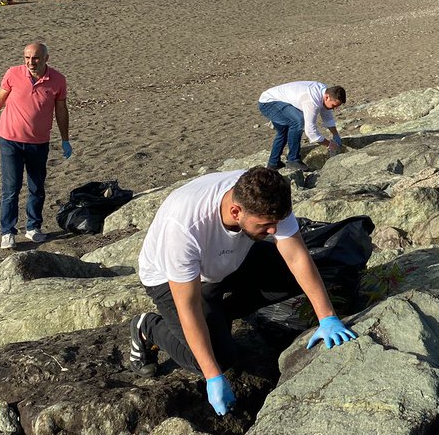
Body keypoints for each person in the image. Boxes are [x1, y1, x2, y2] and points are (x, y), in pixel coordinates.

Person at [128, 166, 357, 414]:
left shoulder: (266, 194)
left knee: (300, 275)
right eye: (266, 225)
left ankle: (219, 312)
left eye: (276, 224)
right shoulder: (185, 229)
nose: (273, 231)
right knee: (216, 358)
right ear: (236, 211)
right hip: (171, 278)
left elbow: (297, 258)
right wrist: (213, 376)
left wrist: (328, 317)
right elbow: (188, 307)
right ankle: (147, 327)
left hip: (228, 262)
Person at [0, 41, 71, 249]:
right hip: (10, 140)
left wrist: (65, 139)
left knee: (37, 187)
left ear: (45, 59)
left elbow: (61, 110)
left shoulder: (58, 80)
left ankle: (33, 227)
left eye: (35, 58)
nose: (30, 62)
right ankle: (8, 232)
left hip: (39, 142)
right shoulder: (13, 74)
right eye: (26, 58)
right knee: (11, 188)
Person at [257, 81, 345, 172]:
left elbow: (327, 117)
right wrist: (329, 145)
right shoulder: (312, 99)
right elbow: (310, 131)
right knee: (298, 121)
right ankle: (293, 160)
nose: (335, 109)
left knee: (284, 131)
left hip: (278, 100)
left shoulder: (326, 93)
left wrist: (335, 134)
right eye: (334, 105)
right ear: (327, 97)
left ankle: (273, 164)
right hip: (268, 103)